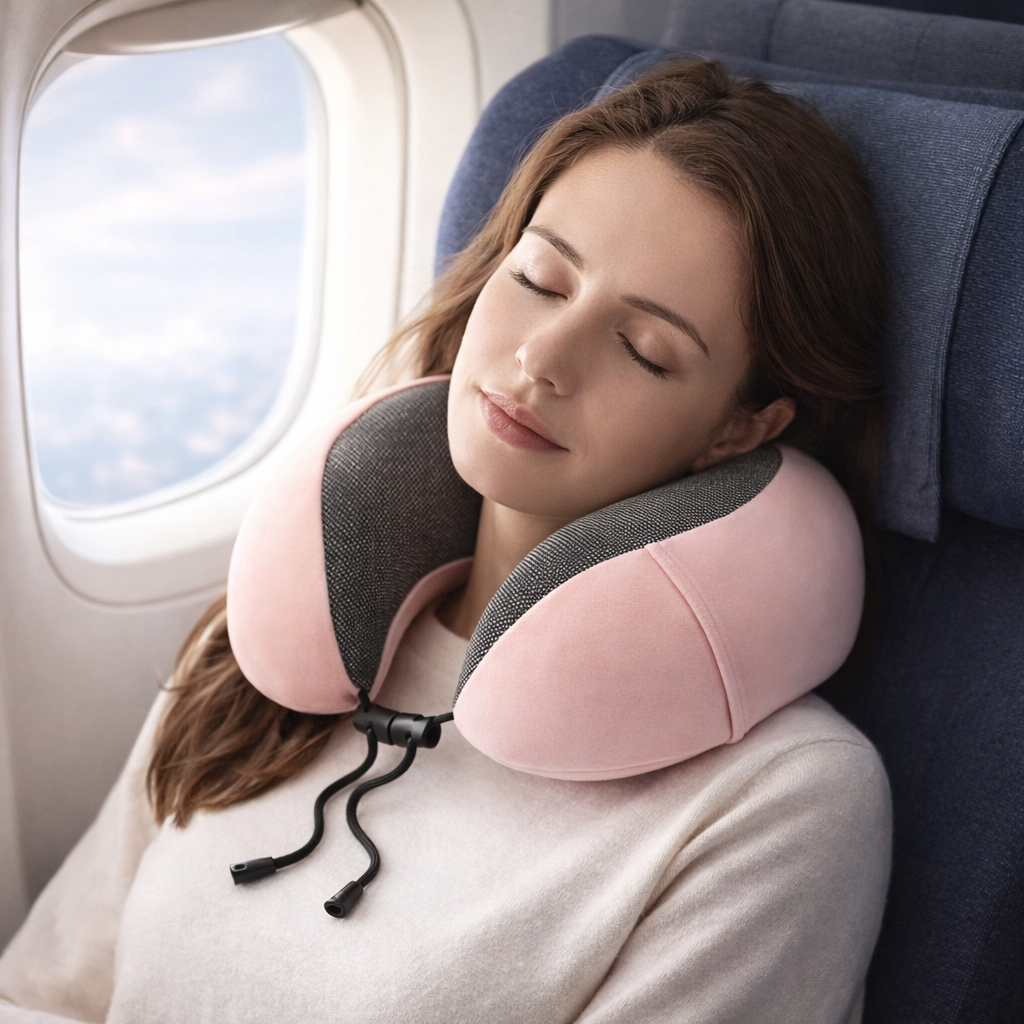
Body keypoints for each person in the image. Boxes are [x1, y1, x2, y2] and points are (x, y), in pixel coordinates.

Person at [0, 59, 891, 1023]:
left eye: (643, 350)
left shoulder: (782, 802)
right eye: (539, 279)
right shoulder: (274, 635)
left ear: (739, 429)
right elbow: (44, 994)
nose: (541, 358)